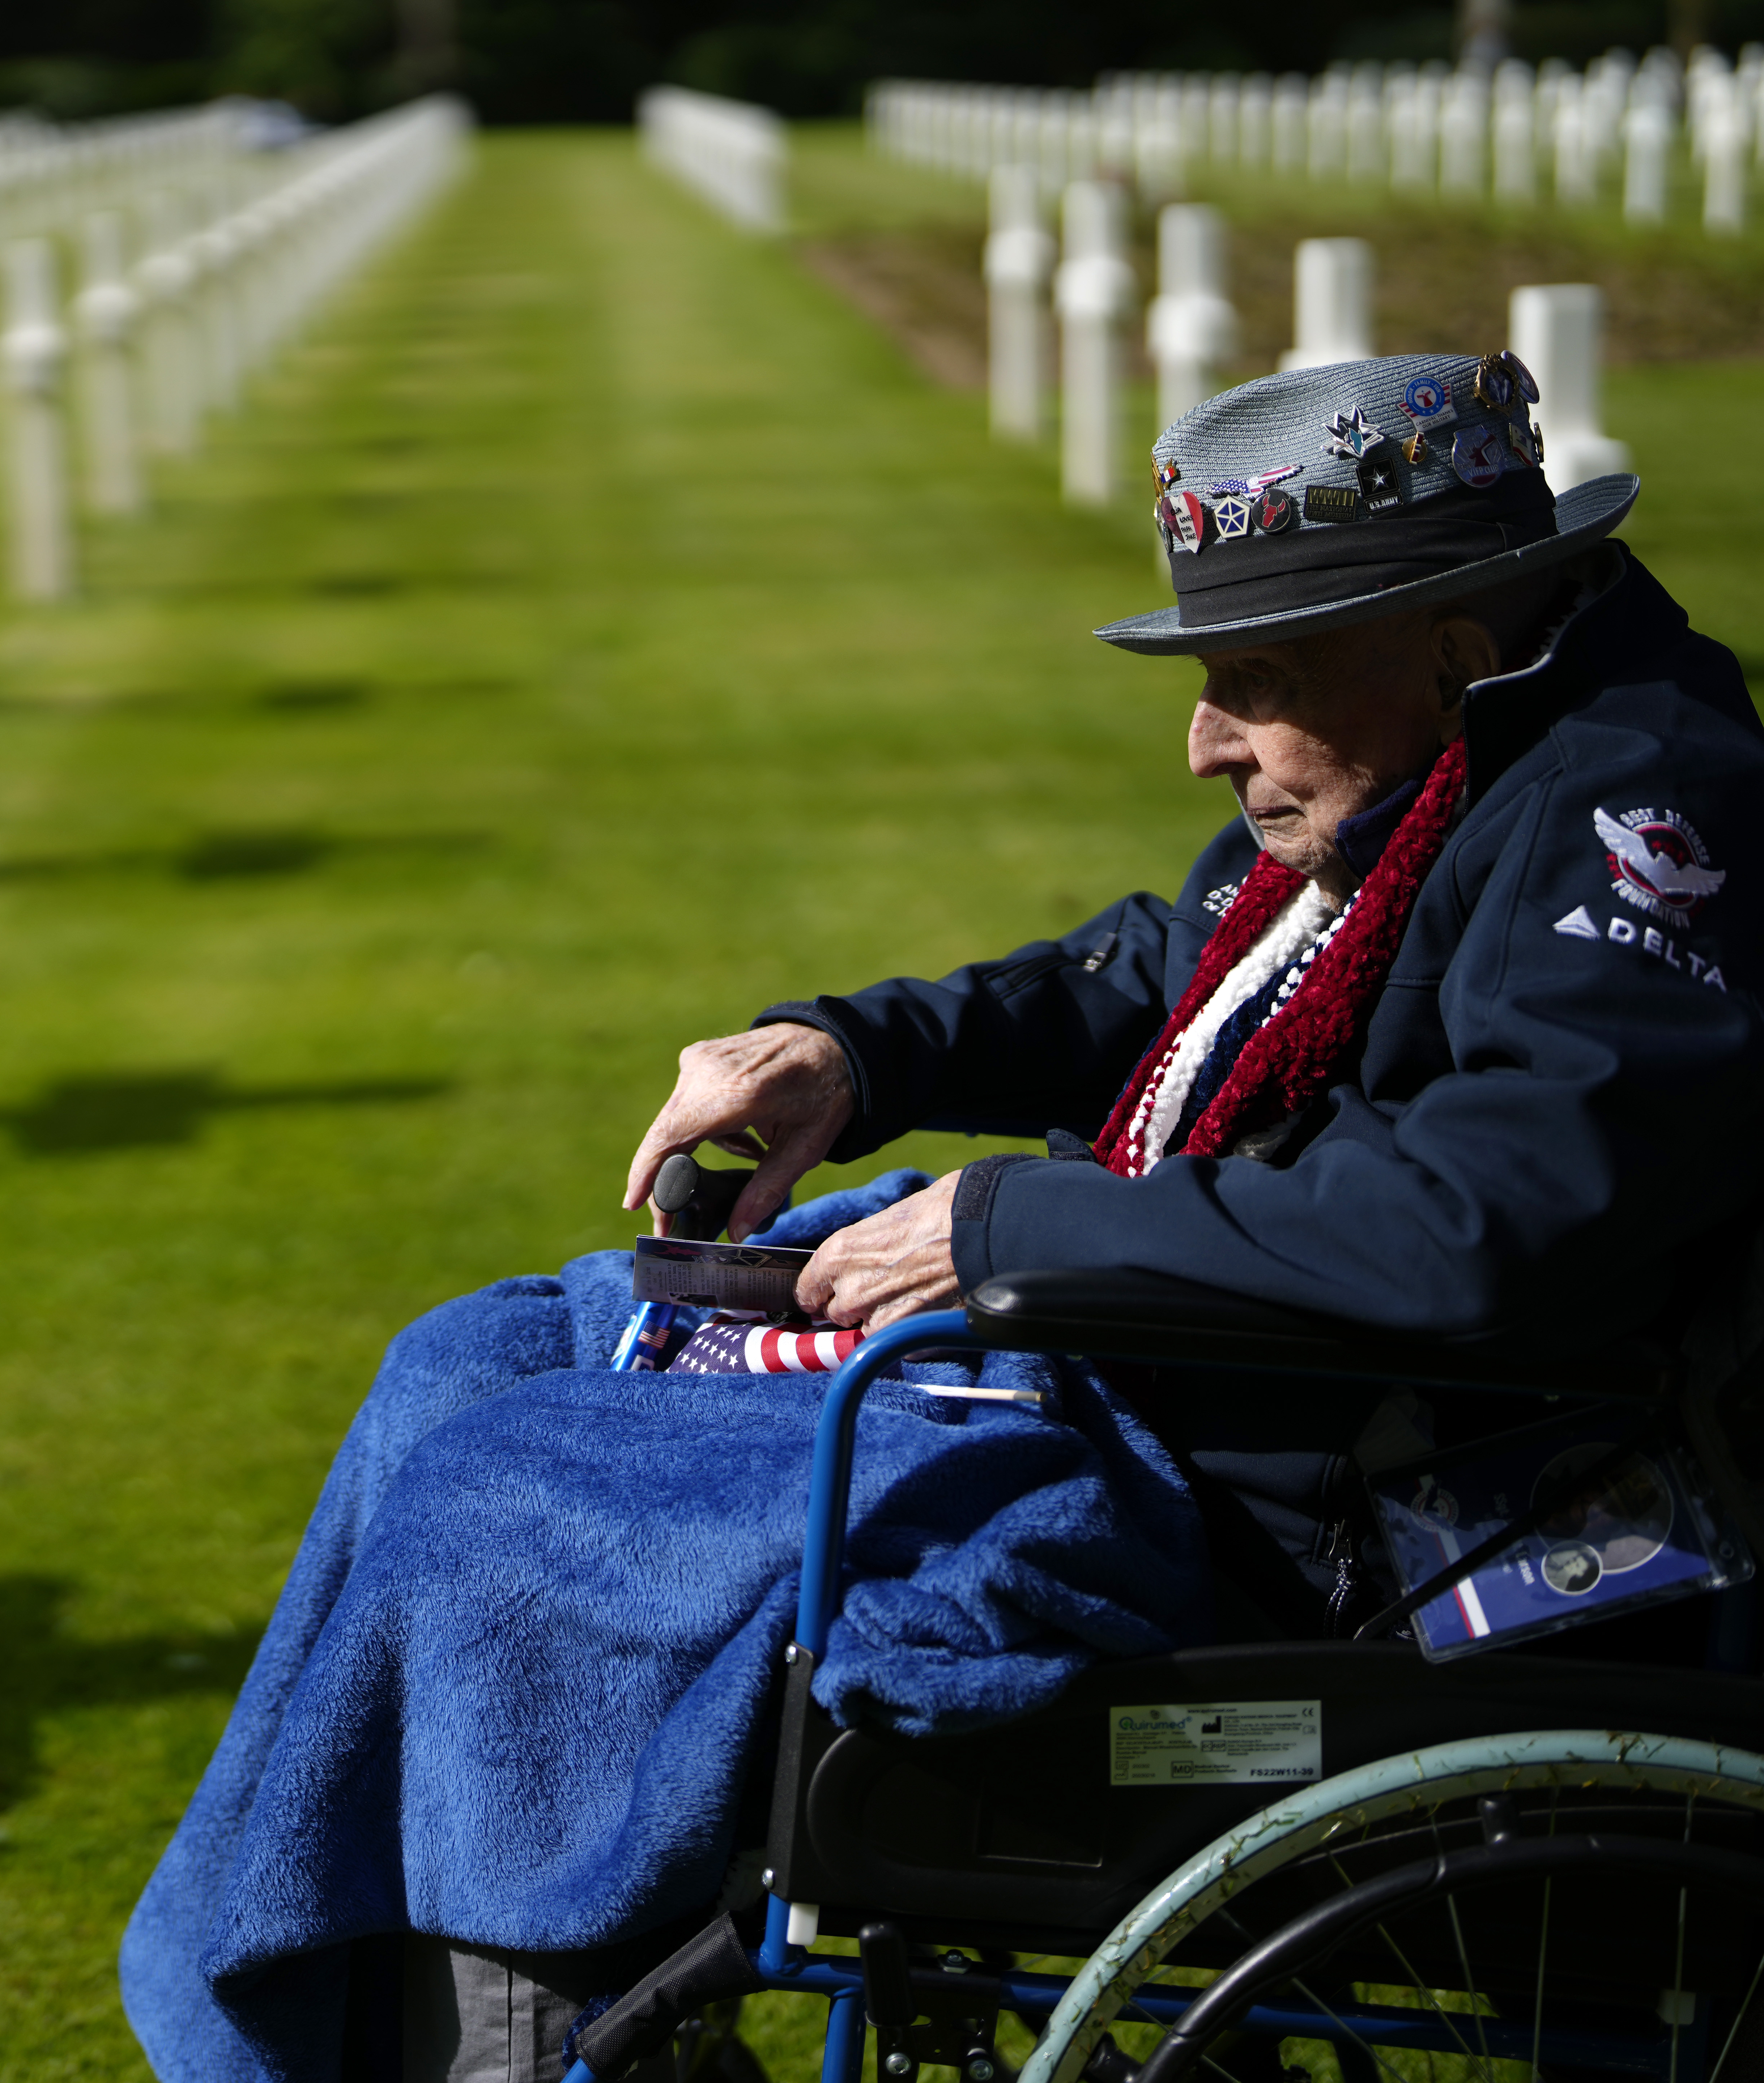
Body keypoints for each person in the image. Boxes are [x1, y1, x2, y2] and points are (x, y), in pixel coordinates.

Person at [123, 352, 1764, 2083]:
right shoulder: (1445, 759)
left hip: (1320, 1493)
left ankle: (445, 2036)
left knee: (503, 1498)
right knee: (466, 1360)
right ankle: (361, 2014)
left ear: (1455, 631)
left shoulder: (1640, 815)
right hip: (1165, 1371)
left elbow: (1491, 1216)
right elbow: (1168, 971)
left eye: (1256, 680)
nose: (1205, 741)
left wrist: (1008, 1236)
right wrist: (851, 1056)